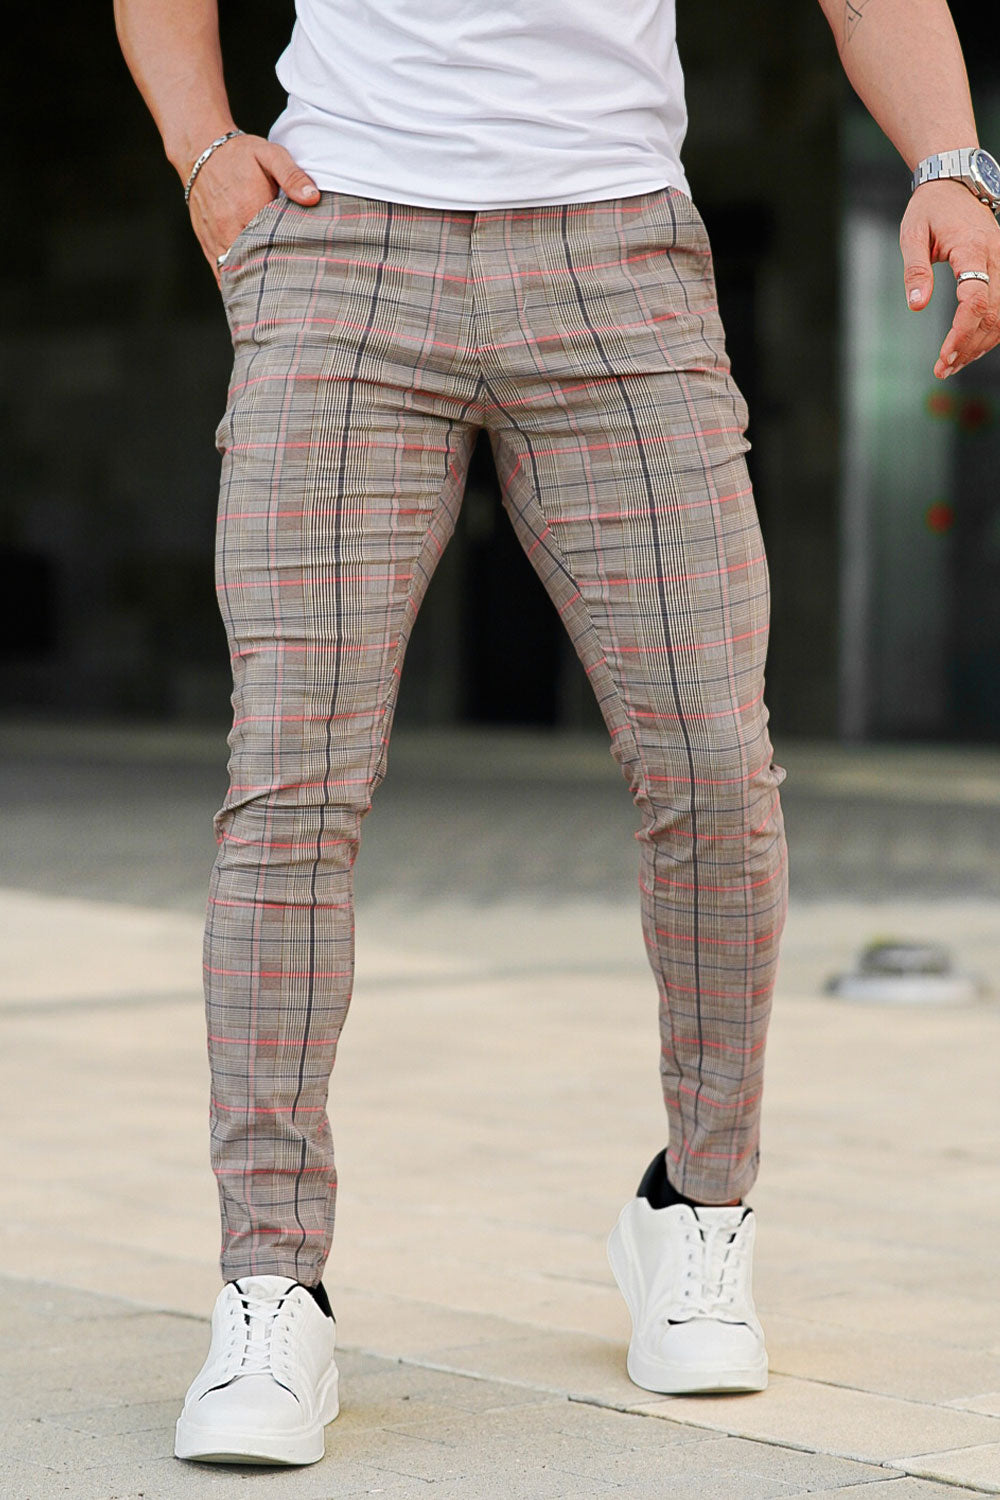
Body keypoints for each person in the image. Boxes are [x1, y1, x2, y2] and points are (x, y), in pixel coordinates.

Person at [115, 0, 1000, 1468]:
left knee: (714, 763)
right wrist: (205, 149)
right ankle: (271, 1287)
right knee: (291, 782)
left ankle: (697, 1214)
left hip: (617, 251)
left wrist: (951, 162)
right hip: (339, 237)